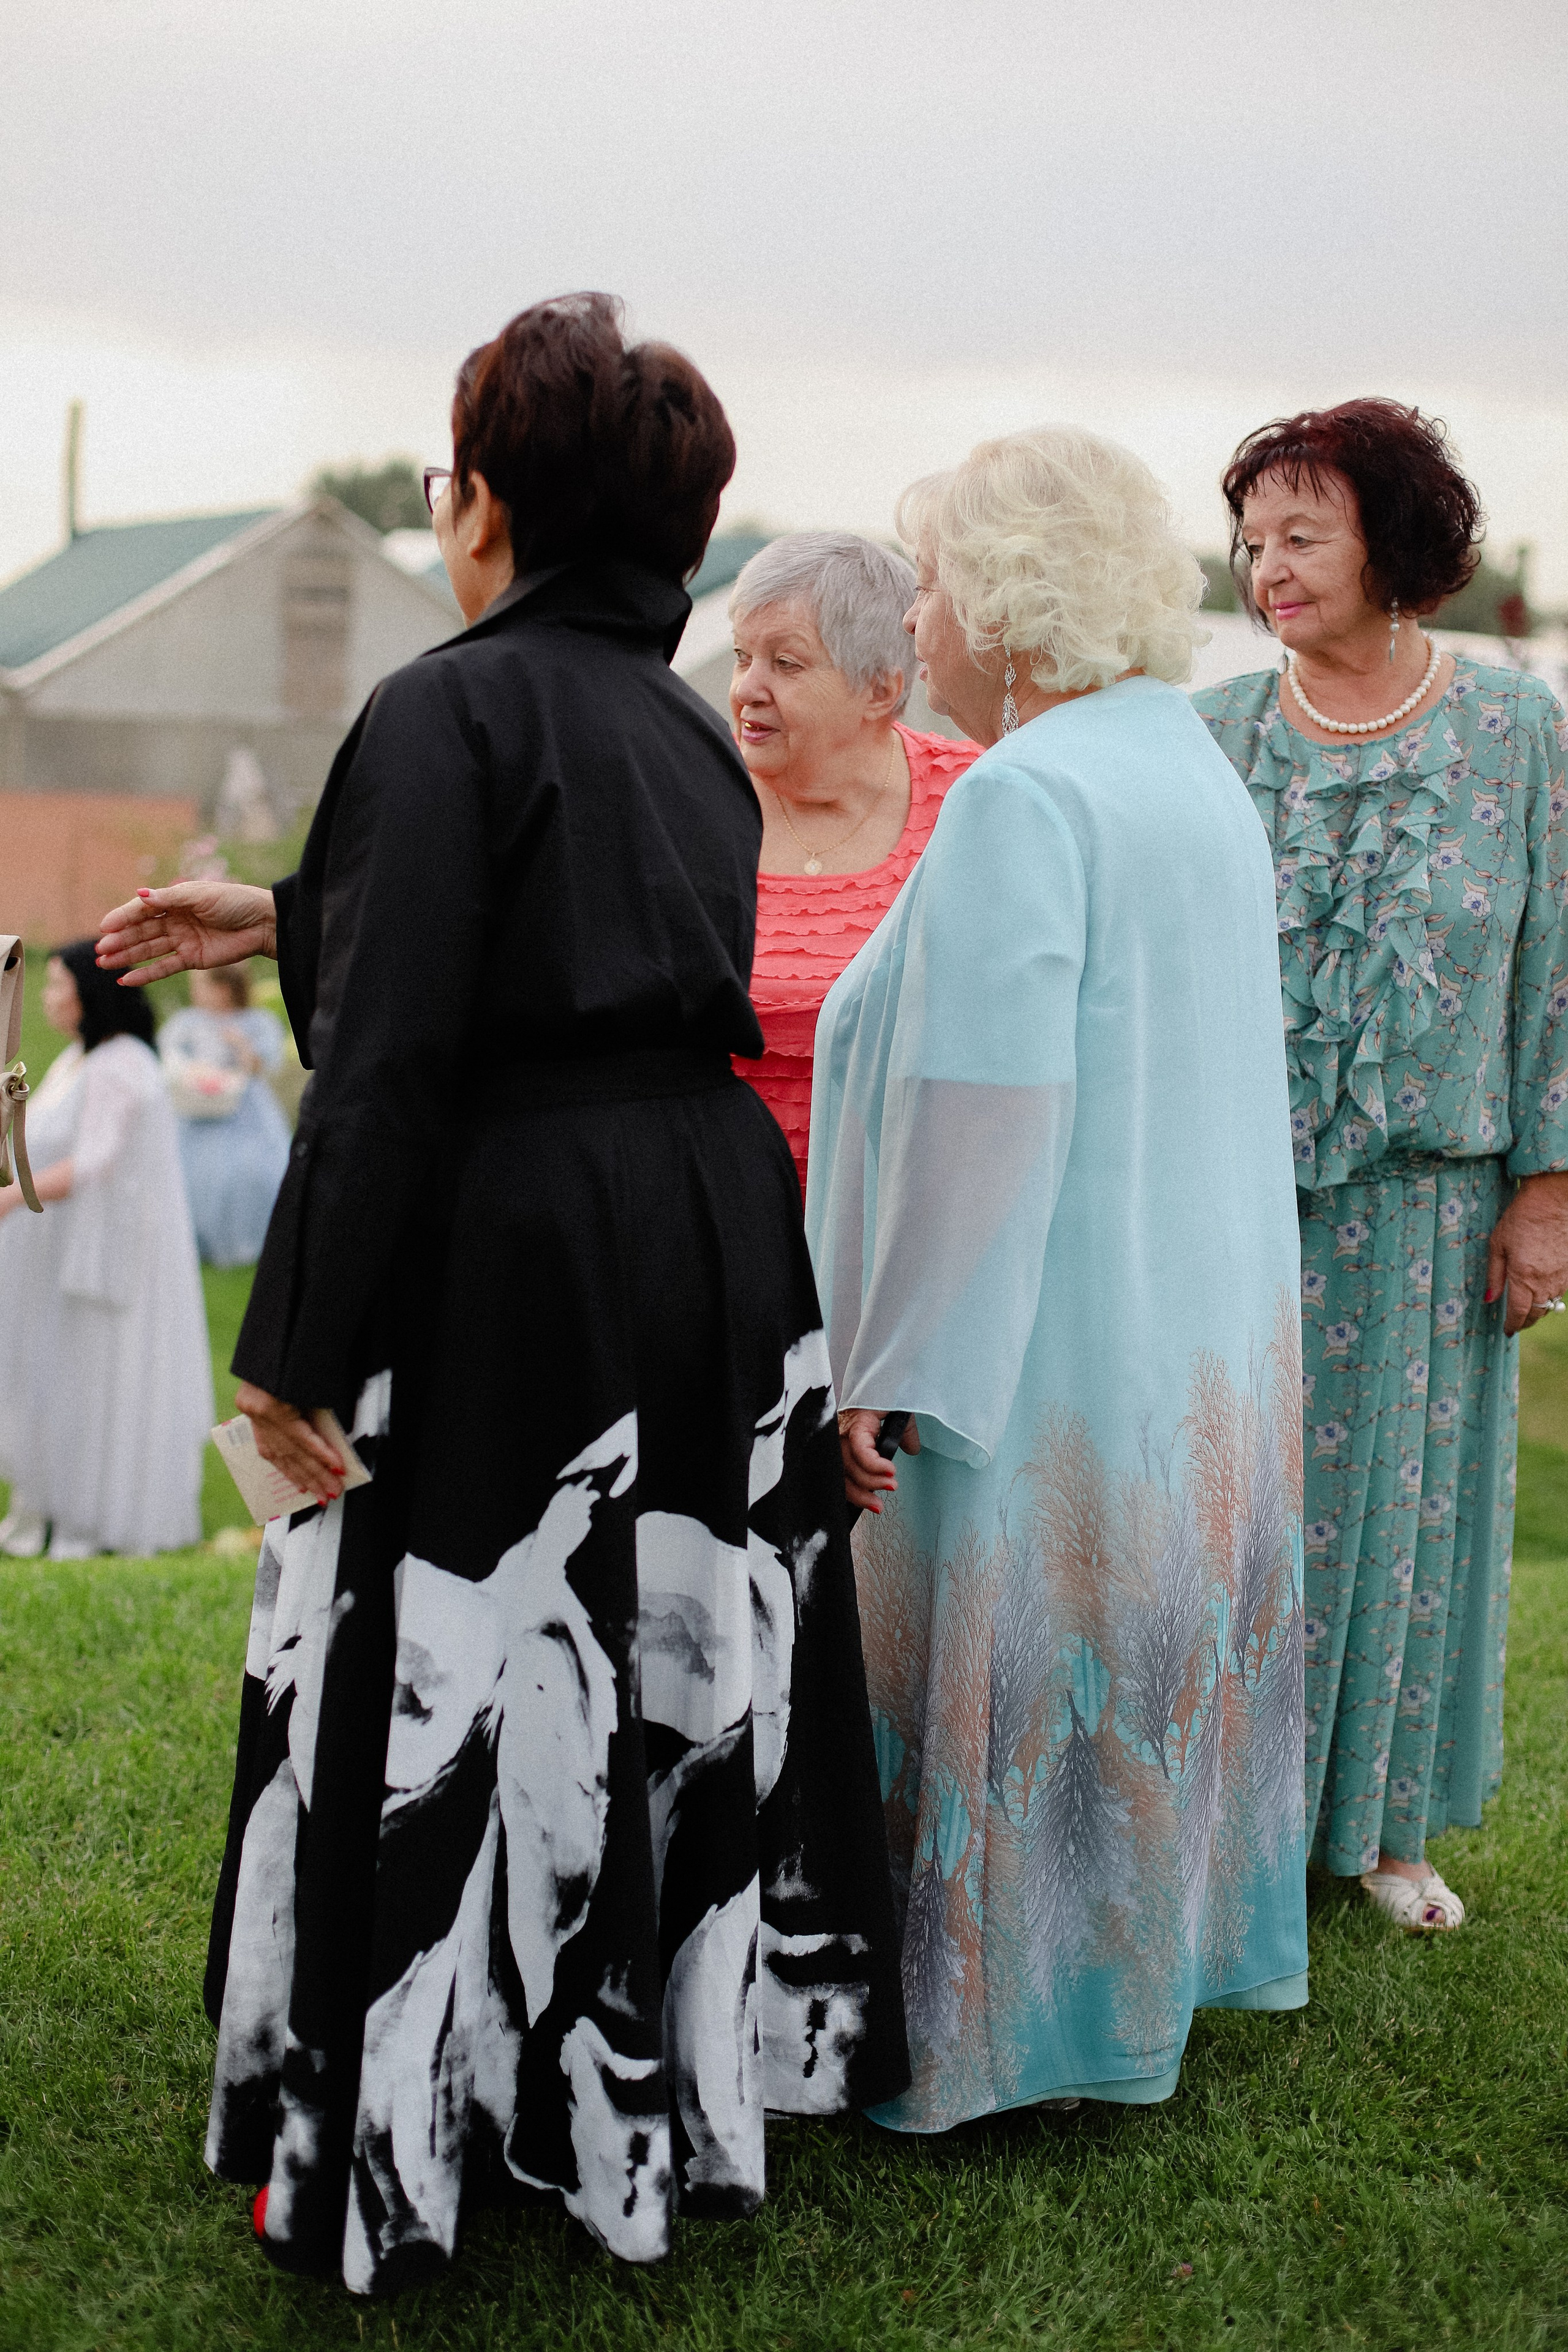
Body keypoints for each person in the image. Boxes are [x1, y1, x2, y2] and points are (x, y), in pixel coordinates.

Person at [97, 292, 907, 2291]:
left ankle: (416, 2130)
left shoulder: (441, 706)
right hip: (708, 1219)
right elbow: (575, 930)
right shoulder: (675, 725)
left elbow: (393, 1061)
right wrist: (297, 905)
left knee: (470, 1683)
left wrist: (288, 1349)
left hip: (526, 1237)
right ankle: (626, 2087)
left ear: (488, 510)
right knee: (635, 1677)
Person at [805, 426, 1308, 2136]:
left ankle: (993, 2029)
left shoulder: (1027, 792)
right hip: (1185, 1319)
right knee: (1144, 1654)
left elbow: (985, 1117)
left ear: (1009, 606)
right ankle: (1138, 1973)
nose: (920, 619)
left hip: (1047, 1346)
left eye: (936, 582)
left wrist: (893, 1369)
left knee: (1029, 1671)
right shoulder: (1184, 762)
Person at [1194, 399, 1568, 1933]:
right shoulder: (1210, 732)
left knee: (1403, 1527)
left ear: (1389, 541)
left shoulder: (1513, 726)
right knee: (1230, 1510)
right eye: (1249, 540)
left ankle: (1381, 1829)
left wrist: (1546, 1190)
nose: (1264, 567)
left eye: (1300, 535)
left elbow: (1555, 964)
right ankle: (1214, 1819)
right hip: (1226, 1202)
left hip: (1428, 1212)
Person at [726, 533, 978, 1191]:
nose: (747, 688)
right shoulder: (691, 800)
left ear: (879, 690)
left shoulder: (972, 802)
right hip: (724, 1220)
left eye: (786, 663)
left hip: (904, 1219)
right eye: (741, 657)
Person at [0, 942, 211, 1558]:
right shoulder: (80, 1059)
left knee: (96, 1379)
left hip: (109, 1260)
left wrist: (11, 1200)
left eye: (57, 985)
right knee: (53, 1376)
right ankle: (40, 1510)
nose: (46, 997)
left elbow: (93, 1163)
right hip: (61, 1249)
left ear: (90, 994)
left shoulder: (123, 1065)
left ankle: (90, 1522)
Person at [160, 964, 292, 1266]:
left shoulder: (256, 1022)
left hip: (244, 1111)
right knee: (195, 1174)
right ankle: (196, 1243)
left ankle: (249, 1241)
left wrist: (240, 1045)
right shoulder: (189, 1022)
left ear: (224, 989)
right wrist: (191, 1072)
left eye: (202, 985)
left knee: (246, 1173)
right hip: (197, 1110)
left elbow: (260, 1067)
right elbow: (173, 1059)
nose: (195, 992)